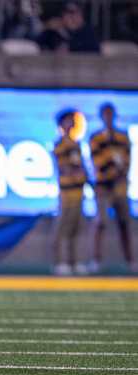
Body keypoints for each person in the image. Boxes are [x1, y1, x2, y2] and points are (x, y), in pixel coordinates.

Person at [88, 103, 135, 273]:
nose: (108, 117)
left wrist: (118, 168)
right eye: (105, 114)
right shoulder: (96, 137)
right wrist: (112, 163)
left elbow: (127, 160)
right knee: (99, 223)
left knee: (124, 223)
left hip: (120, 186)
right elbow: (98, 162)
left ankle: (130, 260)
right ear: (101, 116)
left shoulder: (123, 137)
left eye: (111, 114)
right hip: (103, 186)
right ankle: (95, 260)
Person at [50, 109, 88, 276]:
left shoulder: (76, 144)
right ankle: (59, 262)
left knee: (75, 228)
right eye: (69, 120)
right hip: (66, 192)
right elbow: (64, 168)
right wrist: (76, 172)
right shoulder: (59, 145)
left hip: (78, 191)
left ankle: (73, 261)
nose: (72, 122)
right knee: (62, 227)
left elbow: (80, 167)